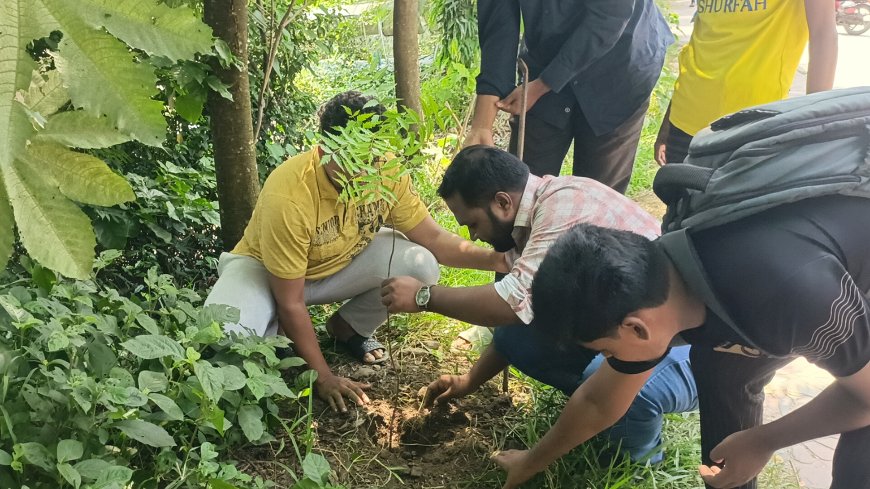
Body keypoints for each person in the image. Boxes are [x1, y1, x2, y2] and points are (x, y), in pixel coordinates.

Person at [523, 197, 870, 489]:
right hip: (789, 280)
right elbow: (599, 400)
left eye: (606, 351)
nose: (609, 360)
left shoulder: (792, 296)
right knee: (722, 392)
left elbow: (865, 400)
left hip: (831, 281)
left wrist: (765, 440)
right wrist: (530, 461)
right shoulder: (662, 279)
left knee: (858, 469)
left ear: (637, 329)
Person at [380, 145, 698, 464]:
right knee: (522, 336)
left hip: (681, 342)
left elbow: (510, 304)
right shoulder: (539, 210)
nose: (473, 236)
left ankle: (638, 460)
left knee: (620, 389)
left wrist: (425, 297)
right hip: (623, 328)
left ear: (503, 202)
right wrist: (468, 382)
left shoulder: (562, 212)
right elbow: (514, 318)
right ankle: (597, 405)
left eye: (473, 224)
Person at [205, 92, 507, 413]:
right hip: (266, 273)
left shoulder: (386, 168)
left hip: (338, 267)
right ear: (324, 148)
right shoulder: (290, 194)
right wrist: (324, 377)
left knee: (422, 265)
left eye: (371, 156)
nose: (365, 171)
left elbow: (432, 237)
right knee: (222, 338)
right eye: (352, 158)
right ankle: (277, 329)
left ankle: (346, 327)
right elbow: (291, 300)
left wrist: (497, 258)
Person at [463, 0, 673, 193]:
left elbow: (609, 17)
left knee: (597, 197)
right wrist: (482, 125)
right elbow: (499, 27)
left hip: (619, 65)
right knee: (524, 186)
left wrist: (544, 85)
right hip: (546, 58)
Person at [655, 0, 837, 164]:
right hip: (684, 120)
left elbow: (823, 32)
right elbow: (701, 44)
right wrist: (669, 120)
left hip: (752, 126)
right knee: (678, 201)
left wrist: (816, 126)